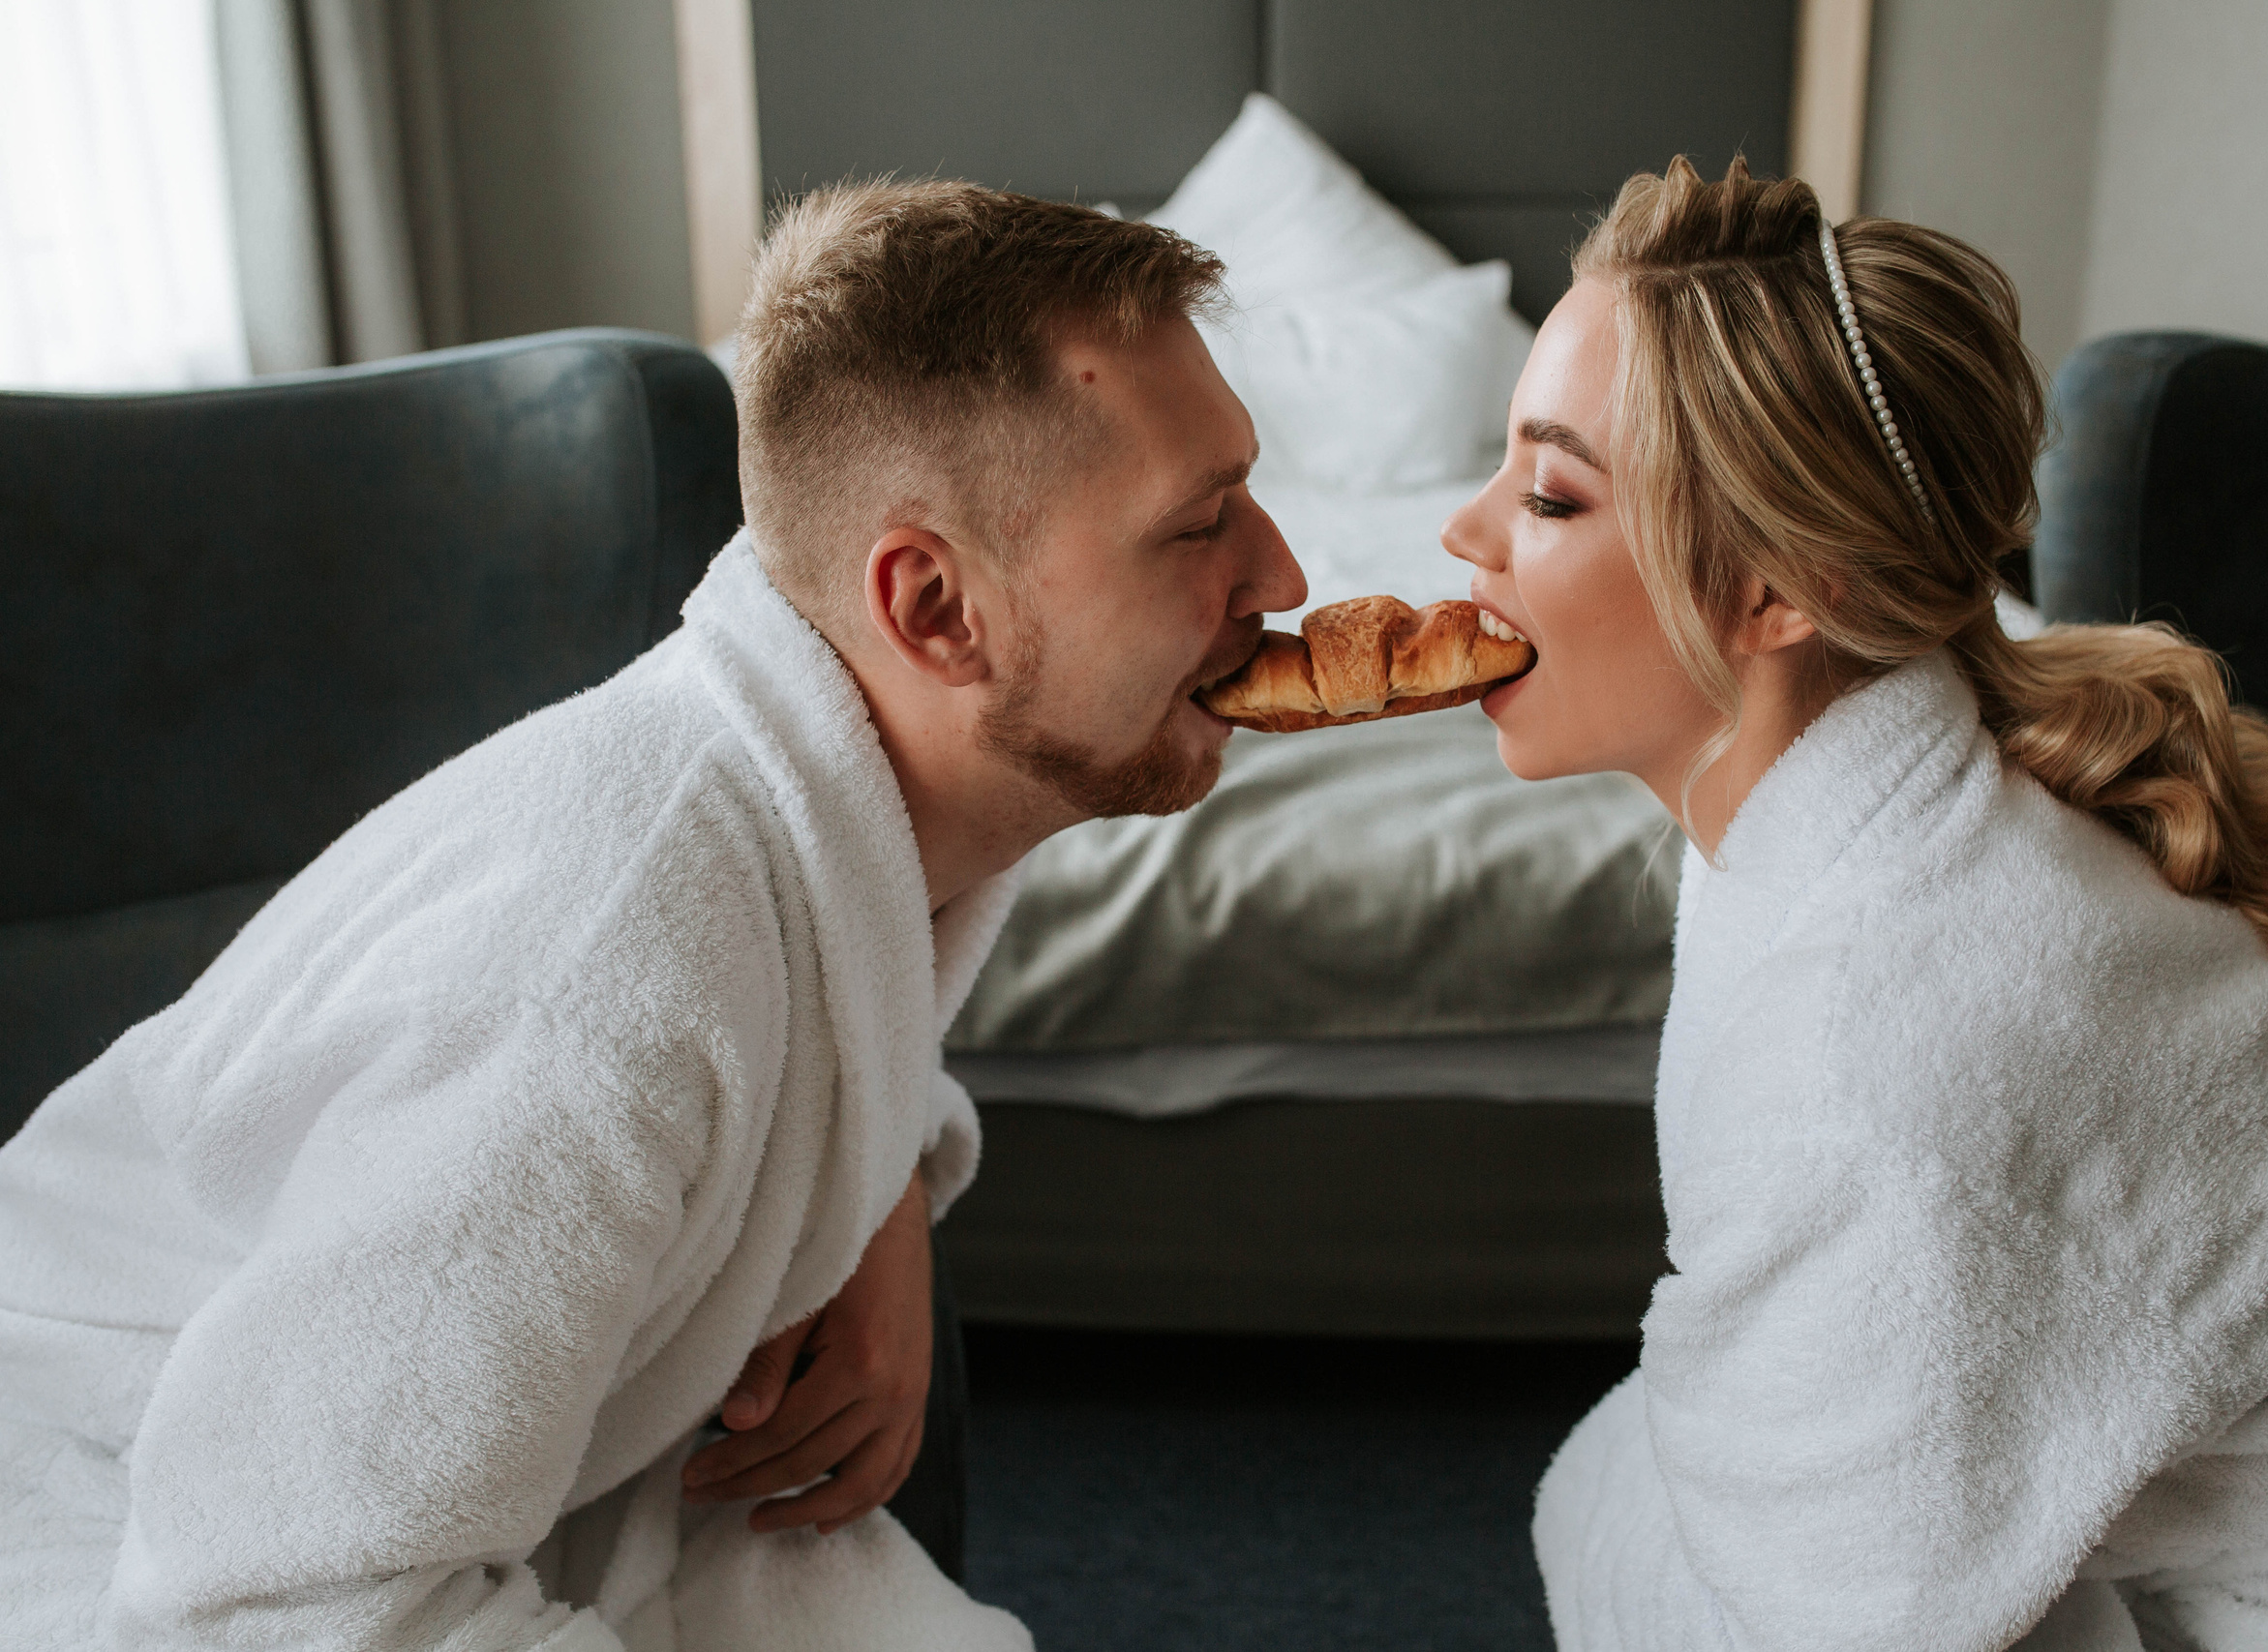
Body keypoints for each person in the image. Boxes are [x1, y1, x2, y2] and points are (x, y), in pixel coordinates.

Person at [0, 180, 1304, 1650]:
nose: (1285, 575)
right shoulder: (600, 972)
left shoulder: (841, 787)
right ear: (934, 609)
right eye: (1199, 529)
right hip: (129, 1515)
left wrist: (882, 1196)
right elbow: (274, 1595)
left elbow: (828, 994)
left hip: (508, 1479)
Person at [1448, 157, 2268, 1651]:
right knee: (1630, 1469)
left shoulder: (1886, 1036)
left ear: (1777, 592)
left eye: (1548, 492)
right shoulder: (1894, 826)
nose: (1463, 533)